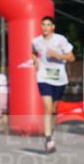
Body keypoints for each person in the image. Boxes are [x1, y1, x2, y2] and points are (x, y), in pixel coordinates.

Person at [31, 16, 75, 153]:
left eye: (48, 24)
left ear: (53, 27)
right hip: (43, 77)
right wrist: (35, 60)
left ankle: (51, 133)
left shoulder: (60, 40)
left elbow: (72, 58)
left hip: (59, 78)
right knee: (48, 107)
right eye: (43, 24)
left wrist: (58, 55)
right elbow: (33, 52)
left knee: (54, 110)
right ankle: (48, 138)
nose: (45, 27)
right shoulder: (36, 41)